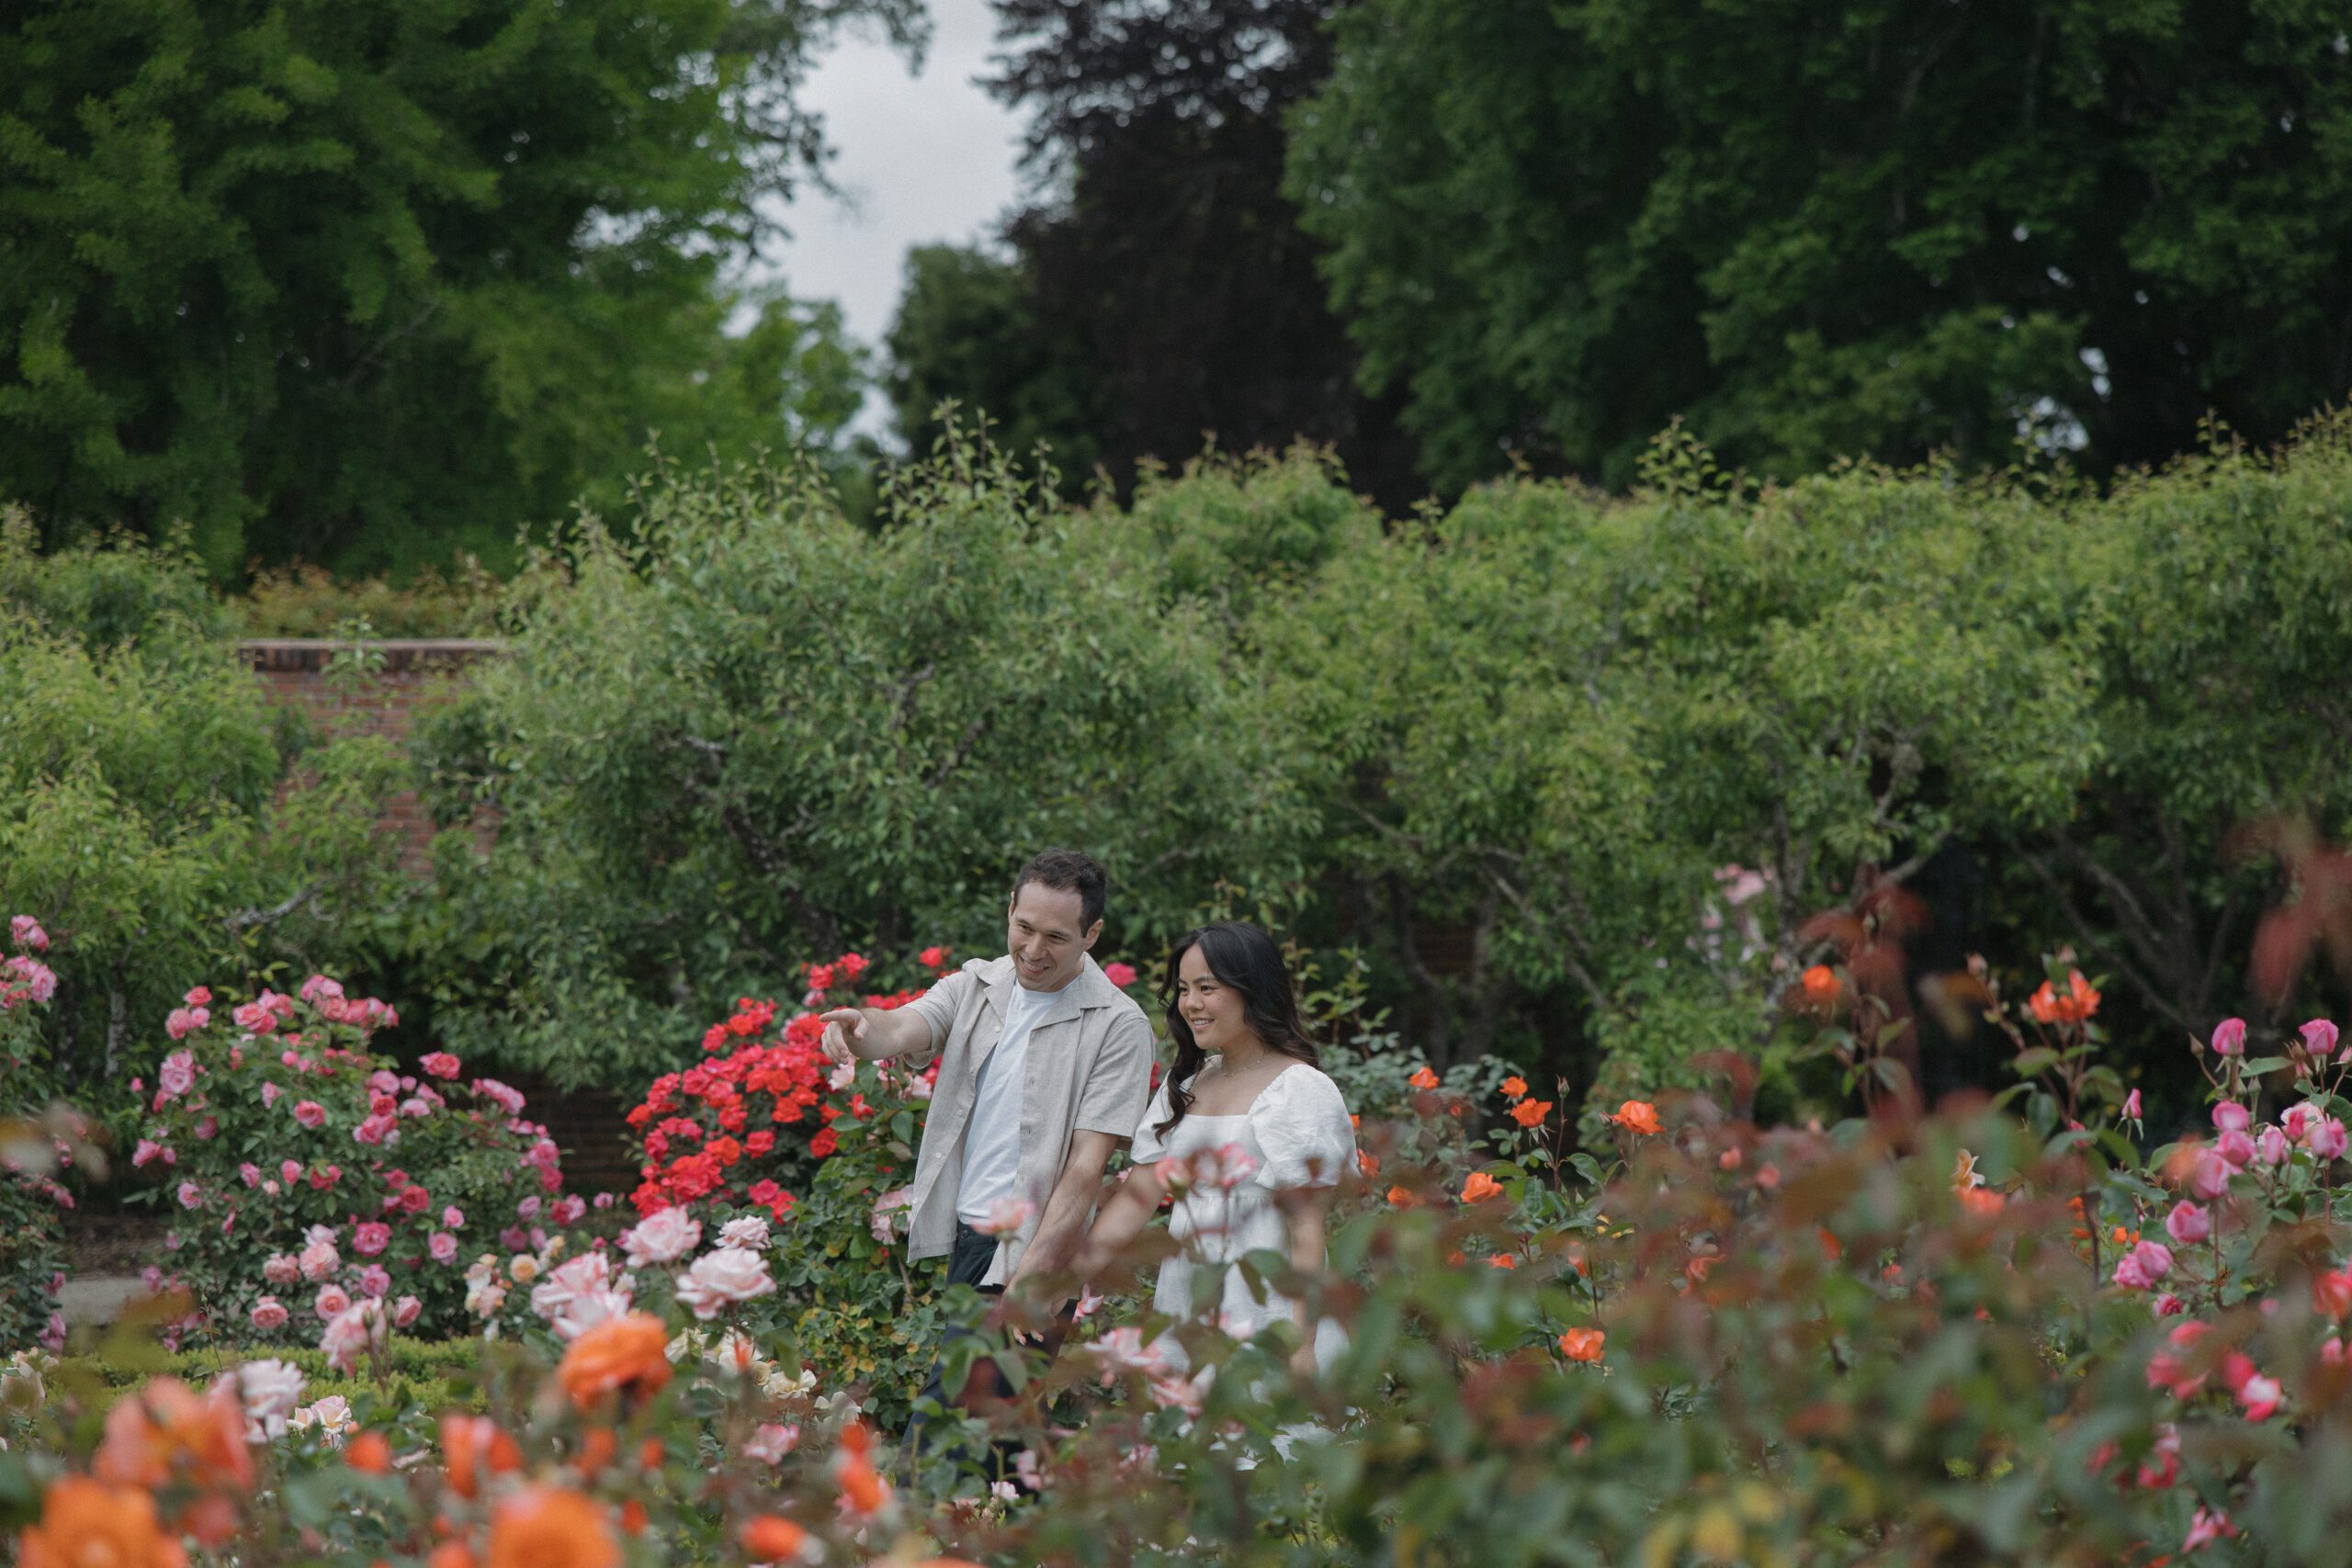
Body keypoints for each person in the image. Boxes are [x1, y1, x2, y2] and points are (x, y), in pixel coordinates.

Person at [820, 848, 1153, 1452]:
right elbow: (903, 1024)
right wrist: (861, 1030)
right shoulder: (977, 983)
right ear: (1010, 908)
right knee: (1003, 1438)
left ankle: (901, 1536)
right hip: (972, 1239)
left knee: (937, 1439)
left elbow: (1087, 1164)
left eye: (1056, 936)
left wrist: (1037, 1274)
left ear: (1092, 933)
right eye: (1024, 926)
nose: (1033, 949)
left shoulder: (1118, 1024)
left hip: (1032, 1254)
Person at [1074, 920, 1356, 1379]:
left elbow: (1307, 1229)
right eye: (1184, 989)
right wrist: (1071, 1276)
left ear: (1254, 990)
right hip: (1188, 1303)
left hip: (1269, 1308)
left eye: (1208, 987)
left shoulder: (1299, 1089)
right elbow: (1138, 1197)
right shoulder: (1184, 1085)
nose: (1191, 1004)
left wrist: (1301, 1341)